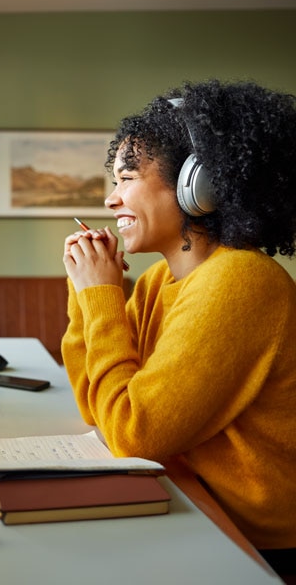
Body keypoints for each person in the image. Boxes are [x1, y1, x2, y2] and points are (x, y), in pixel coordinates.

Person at [61, 80, 296, 576]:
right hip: (191, 498)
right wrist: (86, 293)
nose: (111, 199)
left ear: (199, 184)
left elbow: (131, 431)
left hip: (254, 542)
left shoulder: (241, 282)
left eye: (127, 178)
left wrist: (100, 296)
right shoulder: (156, 283)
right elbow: (97, 407)